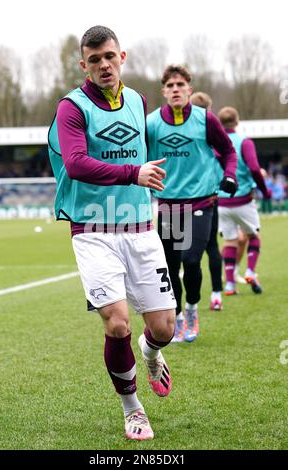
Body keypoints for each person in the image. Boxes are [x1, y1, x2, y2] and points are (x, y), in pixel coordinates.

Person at [48, 26, 176, 441]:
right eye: (95, 59)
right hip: (93, 232)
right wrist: (133, 173)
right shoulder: (72, 108)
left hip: (140, 230)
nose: (104, 65)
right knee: (117, 323)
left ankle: (152, 353)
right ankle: (132, 409)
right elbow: (78, 164)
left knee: (163, 329)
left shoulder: (138, 101)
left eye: (110, 56)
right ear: (83, 64)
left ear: (124, 57)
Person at [147, 66, 237, 344]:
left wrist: (230, 175)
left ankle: (192, 310)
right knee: (171, 266)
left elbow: (228, 151)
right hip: (168, 205)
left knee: (190, 259)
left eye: (180, 84)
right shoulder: (150, 124)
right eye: (170, 85)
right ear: (164, 92)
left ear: (189, 89)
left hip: (201, 201)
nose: (175, 89)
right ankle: (176, 317)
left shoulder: (206, 120)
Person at [217, 106, 272, 295]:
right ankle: (250, 271)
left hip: (222, 202)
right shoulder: (244, 142)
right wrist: (265, 190)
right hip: (243, 200)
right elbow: (255, 168)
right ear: (237, 121)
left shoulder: (215, 144)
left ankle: (230, 285)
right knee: (253, 236)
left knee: (230, 242)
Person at [190, 92, 223, 311]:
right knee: (212, 246)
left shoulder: (195, 130)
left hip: (190, 198)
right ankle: (216, 294)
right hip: (210, 195)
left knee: (184, 253)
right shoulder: (210, 131)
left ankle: (186, 305)